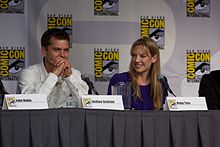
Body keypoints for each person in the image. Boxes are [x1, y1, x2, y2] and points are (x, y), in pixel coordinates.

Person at [17, 28, 89, 108]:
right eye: (57, 50)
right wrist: (53, 75)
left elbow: (86, 105)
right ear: (44, 51)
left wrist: (69, 77)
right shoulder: (29, 74)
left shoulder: (74, 74)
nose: (62, 55)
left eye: (66, 50)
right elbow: (30, 104)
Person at [107, 37, 167, 110]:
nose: (136, 60)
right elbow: (111, 113)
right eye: (134, 55)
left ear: (153, 58)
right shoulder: (120, 80)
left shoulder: (161, 82)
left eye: (142, 56)